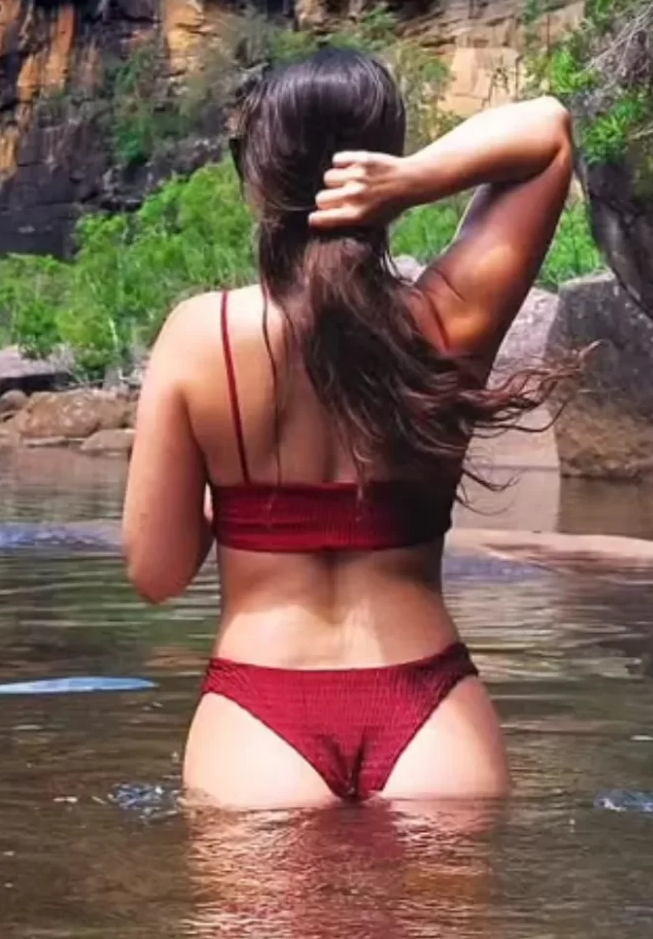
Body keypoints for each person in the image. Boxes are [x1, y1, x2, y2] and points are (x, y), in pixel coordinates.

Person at [120, 47, 575, 808]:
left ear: (255, 178)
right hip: (432, 714)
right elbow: (548, 131)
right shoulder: (444, 321)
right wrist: (418, 180)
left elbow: (156, 573)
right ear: (381, 164)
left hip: (257, 724)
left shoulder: (199, 337)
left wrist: (229, 494)